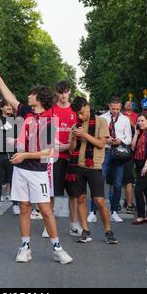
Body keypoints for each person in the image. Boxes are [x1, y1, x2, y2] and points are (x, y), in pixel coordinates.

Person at [0, 68, 73, 264]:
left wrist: (24, 155)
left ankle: (57, 248)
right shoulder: (27, 112)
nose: (28, 96)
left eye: (31, 94)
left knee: (46, 210)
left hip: (38, 171)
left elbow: (48, 152)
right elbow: (10, 97)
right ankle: (25, 247)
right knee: (24, 208)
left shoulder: (48, 119)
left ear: (38, 98)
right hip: (21, 170)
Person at [67, 96, 117, 244]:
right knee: (81, 198)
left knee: (99, 200)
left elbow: (101, 144)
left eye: (81, 112)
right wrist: (75, 138)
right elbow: (71, 150)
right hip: (79, 166)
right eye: (77, 114)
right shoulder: (76, 125)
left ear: (88, 107)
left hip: (94, 166)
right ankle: (85, 230)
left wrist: (85, 135)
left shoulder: (101, 121)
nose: (79, 116)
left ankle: (108, 231)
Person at [42, 80, 81, 238]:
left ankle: (73, 224)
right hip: (54, 157)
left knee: (73, 194)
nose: (63, 95)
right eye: (60, 92)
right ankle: (48, 226)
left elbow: (79, 133)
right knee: (51, 193)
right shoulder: (51, 110)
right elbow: (46, 134)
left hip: (71, 156)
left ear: (70, 92)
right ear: (56, 93)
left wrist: (68, 146)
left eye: (66, 92)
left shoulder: (75, 111)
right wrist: (59, 146)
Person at [88, 96, 132, 223]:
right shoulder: (102, 118)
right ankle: (93, 211)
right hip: (105, 151)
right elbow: (96, 135)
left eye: (118, 109)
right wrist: (106, 140)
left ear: (121, 106)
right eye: (113, 108)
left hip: (119, 152)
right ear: (109, 106)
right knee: (99, 181)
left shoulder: (125, 120)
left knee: (118, 184)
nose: (115, 111)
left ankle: (114, 211)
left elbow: (129, 138)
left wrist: (120, 140)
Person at [0, 95, 19, 215]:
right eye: (7, 105)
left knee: (14, 182)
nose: (10, 107)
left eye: (11, 106)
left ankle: (15, 205)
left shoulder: (16, 119)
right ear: (1, 108)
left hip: (13, 154)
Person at [131, 114, 147, 224]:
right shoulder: (139, 133)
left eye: (142, 120)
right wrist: (136, 134)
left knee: (138, 190)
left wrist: (146, 166)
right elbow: (132, 147)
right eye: (138, 121)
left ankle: (141, 215)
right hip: (139, 164)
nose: (140, 123)